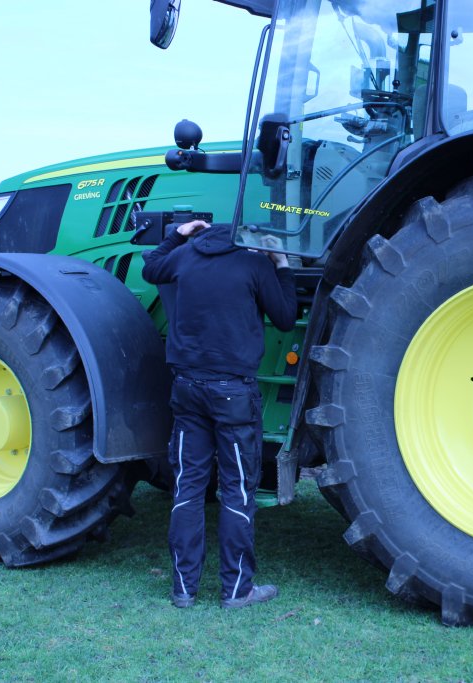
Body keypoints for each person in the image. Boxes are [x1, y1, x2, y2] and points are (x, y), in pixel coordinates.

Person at [141, 219, 296, 609]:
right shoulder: (254, 264)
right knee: (237, 489)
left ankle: (183, 589)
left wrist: (178, 233)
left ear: (202, 233)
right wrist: (281, 264)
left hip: (187, 389)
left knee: (189, 487)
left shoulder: (184, 257)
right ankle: (237, 590)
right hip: (233, 393)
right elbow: (285, 317)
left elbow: (150, 267)